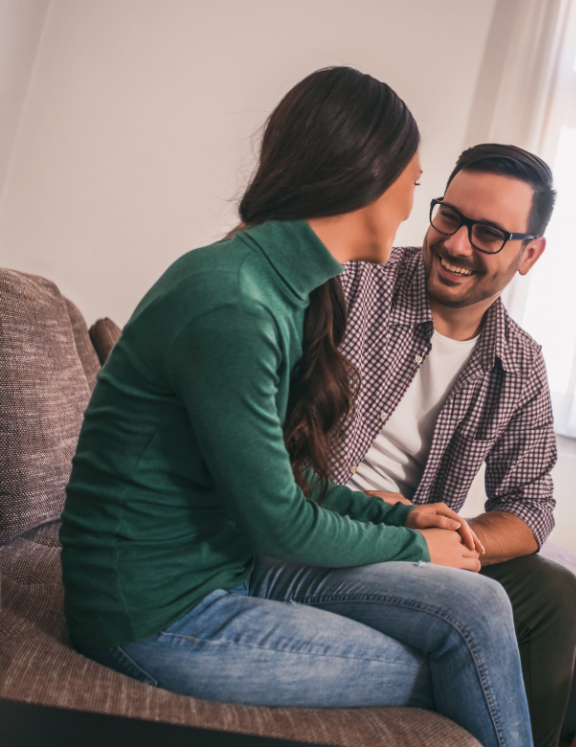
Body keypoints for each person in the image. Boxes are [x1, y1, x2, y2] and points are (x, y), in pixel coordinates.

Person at [59, 68, 532, 747]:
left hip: (225, 562)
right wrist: (414, 547)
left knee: (481, 603)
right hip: (152, 614)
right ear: (365, 177)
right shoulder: (235, 303)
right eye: (415, 184)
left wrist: (394, 512)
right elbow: (279, 522)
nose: (410, 210)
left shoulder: (283, 286)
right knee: (445, 660)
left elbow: (279, 479)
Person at [329, 143, 576, 747]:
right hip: (318, 522)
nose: (458, 245)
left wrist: (452, 540)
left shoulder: (518, 362)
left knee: (550, 591)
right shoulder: (354, 282)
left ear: (530, 254)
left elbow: (530, 506)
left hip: (409, 542)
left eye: (490, 233)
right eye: (450, 216)